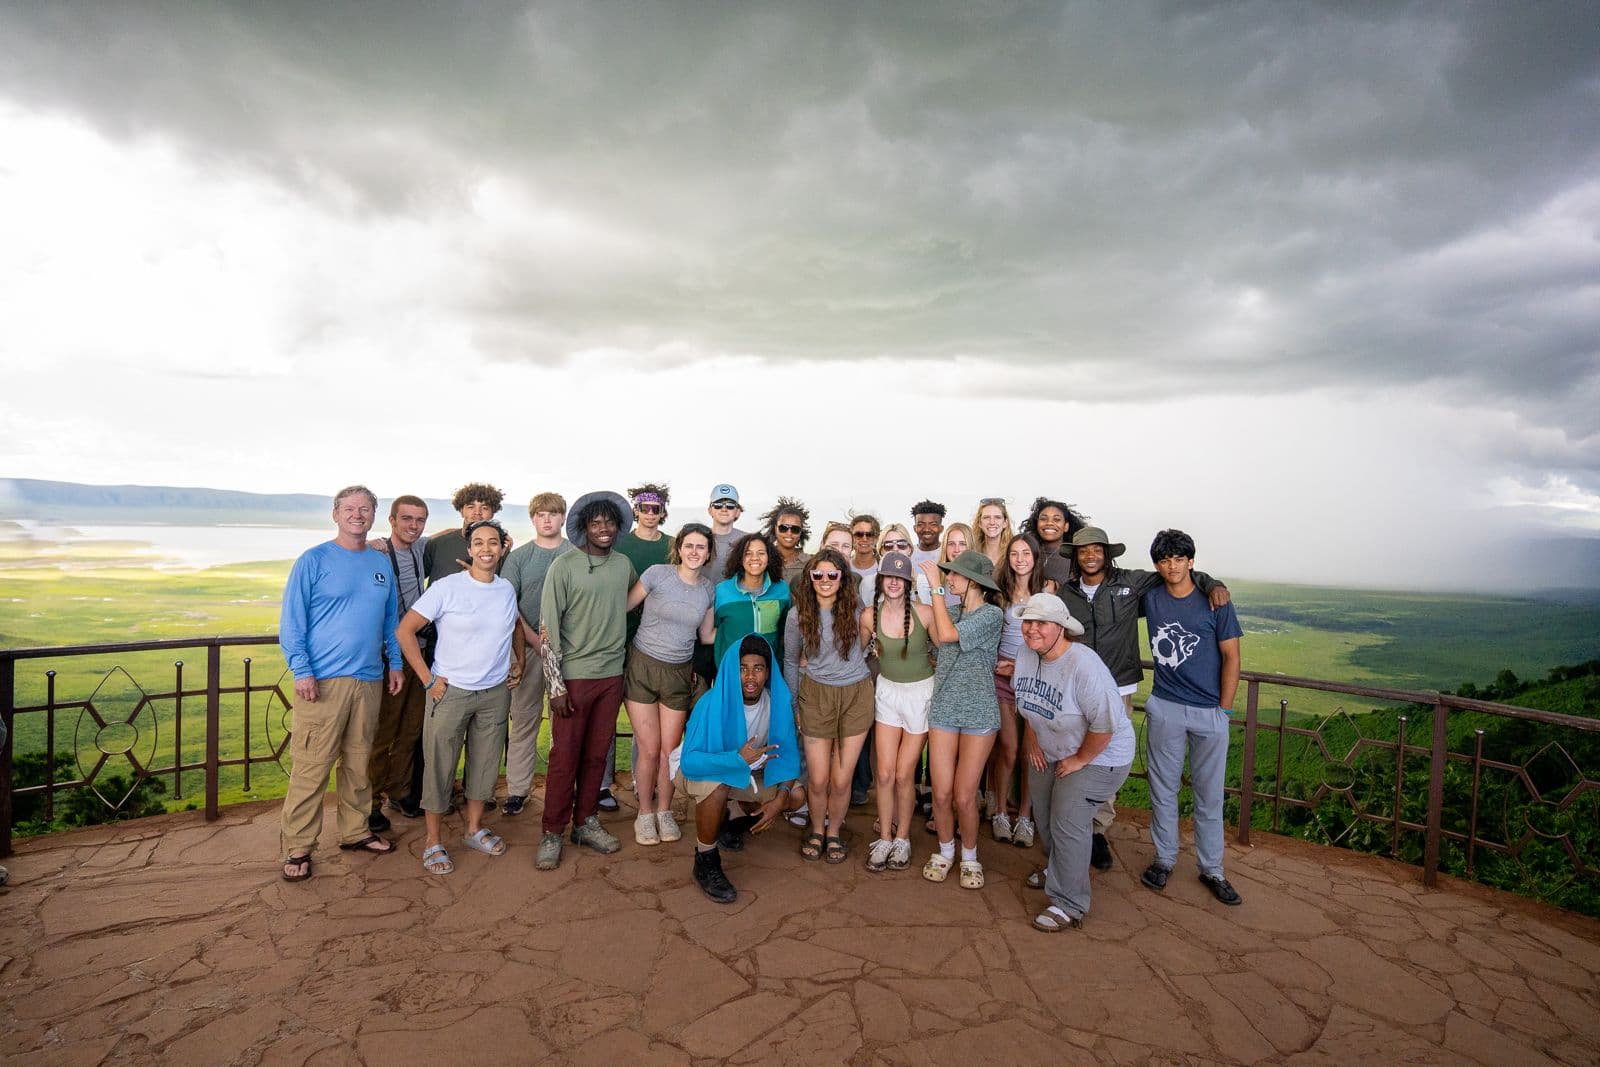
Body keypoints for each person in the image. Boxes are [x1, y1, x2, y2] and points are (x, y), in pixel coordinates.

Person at [1054, 525, 1229, 871]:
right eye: (1083, 551)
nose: (1090, 556)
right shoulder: (1065, 593)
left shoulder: (1131, 583)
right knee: (1072, 752)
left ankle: (1097, 831)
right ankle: (1072, 824)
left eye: (1096, 550)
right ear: (1076, 556)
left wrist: (1213, 584)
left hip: (1117, 689)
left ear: (1107, 553)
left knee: (1108, 759)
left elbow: (1176, 572)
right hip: (1074, 688)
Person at [277, 485, 403, 882]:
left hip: (369, 679)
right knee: (312, 766)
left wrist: (395, 665)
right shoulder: (313, 560)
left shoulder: (380, 565)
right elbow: (292, 622)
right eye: (349, 508)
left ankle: (354, 831)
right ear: (335, 514)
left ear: (373, 516)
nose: (357, 515)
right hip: (322, 682)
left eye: (365, 509)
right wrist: (302, 670)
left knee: (358, 763)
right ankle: (299, 846)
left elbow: (389, 622)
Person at [396, 519, 522, 875]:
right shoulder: (447, 588)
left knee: (484, 765)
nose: (486, 548)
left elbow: (513, 625)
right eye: (478, 542)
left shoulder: (505, 589)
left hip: (494, 693)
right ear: (469, 549)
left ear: (502, 547)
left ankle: (473, 829)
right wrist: (427, 680)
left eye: (493, 542)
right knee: (439, 766)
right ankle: (433, 841)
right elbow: (405, 630)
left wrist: (520, 661)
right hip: (450, 692)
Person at [1013, 593, 1136, 931]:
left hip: (1101, 755)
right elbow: (1030, 703)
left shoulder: (1084, 665)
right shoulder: (1026, 654)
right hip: (1052, 748)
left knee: (1067, 816)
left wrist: (1081, 759)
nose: (1032, 629)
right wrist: (1033, 740)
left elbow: (1106, 725)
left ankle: (1069, 903)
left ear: (1061, 628)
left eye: (1041, 623)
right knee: (1043, 811)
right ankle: (1061, 867)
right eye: (1028, 621)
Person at [1139, 529, 1244, 906]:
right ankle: (1164, 858)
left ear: (1191, 561)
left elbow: (1232, 657)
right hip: (1166, 705)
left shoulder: (1215, 601)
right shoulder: (1150, 598)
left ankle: (1212, 868)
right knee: (1163, 790)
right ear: (1157, 564)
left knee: (1209, 795)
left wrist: (1225, 710)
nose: (1172, 566)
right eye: (1165, 560)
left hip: (1209, 711)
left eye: (1179, 559)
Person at [536, 491, 640, 870]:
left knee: (597, 753)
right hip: (574, 677)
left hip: (611, 674)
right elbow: (547, 629)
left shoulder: (624, 565)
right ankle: (552, 831)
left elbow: (623, 604)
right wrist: (556, 685)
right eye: (596, 523)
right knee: (565, 757)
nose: (604, 529)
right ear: (583, 527)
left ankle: (585, 822)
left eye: (609, 522)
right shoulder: (563, 567)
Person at [676, 635, 806, 902]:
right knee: (718, 784)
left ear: (768, 672)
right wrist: (736, 759)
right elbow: (690, 762)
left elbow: (788, 758)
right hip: (702, 772)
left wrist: (778, 803)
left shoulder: (774, 703)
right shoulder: (710, 702)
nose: (750, 676)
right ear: (731, 670)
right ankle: (706, 859)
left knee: (796, 796)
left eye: (758, 668)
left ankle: (731, 823)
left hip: (746, 773)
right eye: (742, 668)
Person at [623, 524, 716, 845]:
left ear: (708, 553)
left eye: (700, 547)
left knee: (669, 750)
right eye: (689, 545)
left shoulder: (708, 589)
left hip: (679, 673)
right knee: (648, 749)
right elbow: (623, 606)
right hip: (642, 667)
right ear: (678, 548)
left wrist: (749, 628)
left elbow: (706, 636)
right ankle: (644, 813)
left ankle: (665, 810)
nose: (694, 552)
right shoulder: (657, 574)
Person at [917, 550, 1003, 889]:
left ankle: (969, 856)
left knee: (964, 796)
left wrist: (935, 589)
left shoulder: (992, 615)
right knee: (940, 794)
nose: (949, 579)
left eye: (954, 575)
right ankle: (945, 851)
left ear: (973, 582)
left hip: (979, 712)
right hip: (944, 711)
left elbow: (950, 636)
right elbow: (937, 639)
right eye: (946, 575)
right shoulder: (948, 612)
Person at [784, 547, 872, 864]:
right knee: (818, 779)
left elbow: (864, 646)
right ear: (809, 577)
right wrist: (794, 704)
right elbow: (791, 661)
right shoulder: (797, 615)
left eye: (832, 574)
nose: (825, 580)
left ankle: (833, 831)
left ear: (842, 578)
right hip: (816, 695)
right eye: (817, 574)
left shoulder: (855, 608)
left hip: (855, 694)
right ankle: (817, 829)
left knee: (841, 778)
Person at [500, 492, 572, 817]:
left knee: (567, 724)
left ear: (562, 518)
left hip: (568, 653)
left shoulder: (575, 554)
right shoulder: (519, 557)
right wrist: (533, 642)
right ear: (533, 519)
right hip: (526, 651)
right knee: (524, 721)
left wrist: (557, 644)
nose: (547, 519)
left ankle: (566, 788)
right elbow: (508, 604)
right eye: (541, 514)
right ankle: (518, 790)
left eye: (553, 514)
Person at [605, 483, 676, 813]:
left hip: (655, 646)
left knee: (646, 721)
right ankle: (602, 785)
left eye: (655, 508)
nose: (650, 513)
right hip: (616, 638)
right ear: (635, 509)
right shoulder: (619, 543)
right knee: (606, 716)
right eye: (644, 507)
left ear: (663, 511)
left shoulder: (673, 546)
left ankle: (640, 781)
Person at [862, 551, 934, 873]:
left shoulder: (925, 613)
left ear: (908, 582)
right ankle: (886, 837)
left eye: (900, 577)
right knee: (885, 773)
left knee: (906, 774)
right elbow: (856, 653)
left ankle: (903, 838)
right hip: (887, 692)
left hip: (920, 694)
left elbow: (944, 650)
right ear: (881, 580)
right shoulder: (868, 615)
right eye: (888, 576)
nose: (894, 582)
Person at [366, 494, 429, 833]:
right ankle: (369, 802)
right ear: (391, 520)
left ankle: (400, 792)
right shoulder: (376, 553)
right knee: (383, 733)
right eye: (406, 519)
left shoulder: (420, 549)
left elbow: (453, 534)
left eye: (419, 520)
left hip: (417, 652)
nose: (413, 526)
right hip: (389, 656)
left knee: (410, 728)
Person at [986, 533, 1044, 848]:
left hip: (1035, 679)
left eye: (1026, 553)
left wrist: (1022, 668)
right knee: (1007, 748)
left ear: (1035, 557)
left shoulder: (1046, 593)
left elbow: (1049, 641)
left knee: (1029, 753)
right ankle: (999, 813)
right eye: (1014, 553)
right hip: (1002, 677)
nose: (1020, 559)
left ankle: (1025, 816)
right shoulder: (1000, 593)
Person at [694, 483, 749, 686]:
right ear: (710, 510)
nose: (724, 509)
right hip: (698, 620)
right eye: (718, 505)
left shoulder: (747, 541)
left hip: (730, 622)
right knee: (698, 687)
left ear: (738, 511)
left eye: (730, 504)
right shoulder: (698, 539)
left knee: (731, 685)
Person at [712, 532, 791, 665]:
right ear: (740, 559)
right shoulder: (721, 591)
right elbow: (714, 630)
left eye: (761, 553)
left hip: (769, 671)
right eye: (748, 553)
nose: (755, 558)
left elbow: (785, 630)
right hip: (731, 669)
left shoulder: (782, 589)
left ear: (769, 557)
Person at [423, 483, 507, 583]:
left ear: (493, 513)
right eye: (471, 507)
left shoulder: (499, 550)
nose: (477, 512)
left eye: (484, 508)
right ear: (461, 511)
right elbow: (416, 578)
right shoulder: (437, 543)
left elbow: (503, 587)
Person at [760, 496, 812, 586]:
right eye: (783, 528)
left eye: (795, 529)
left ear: (801, 532)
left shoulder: (810, 563)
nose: (789, 533)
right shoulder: (762, 559)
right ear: (775, 528)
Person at [1016, 496, 1088, 559]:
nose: (1049, 523)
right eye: (1043, 519)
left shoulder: (1076, 558)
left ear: (1066, 526)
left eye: (1056, 519)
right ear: (1036, 524)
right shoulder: (1026, 555)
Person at [909, 500, 947, 605]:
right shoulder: (908, 554)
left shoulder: (948, 553)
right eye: (921, 524)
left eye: (933, 524)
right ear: (914, 528)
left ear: (941, 528)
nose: (926, 529)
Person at [847, 513, 881, 602]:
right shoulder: (841, 568)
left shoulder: (885, 569)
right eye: (859, 534)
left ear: (876, 538)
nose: (864, 539)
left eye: (869, 534)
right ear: (851, 537)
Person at [971, 498, 1013, 569]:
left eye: (997, 517)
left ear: (1005, 523)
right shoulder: (972, 553)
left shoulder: (1013, 553)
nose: (992, 522)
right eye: (986, 517)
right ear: (979, 523)